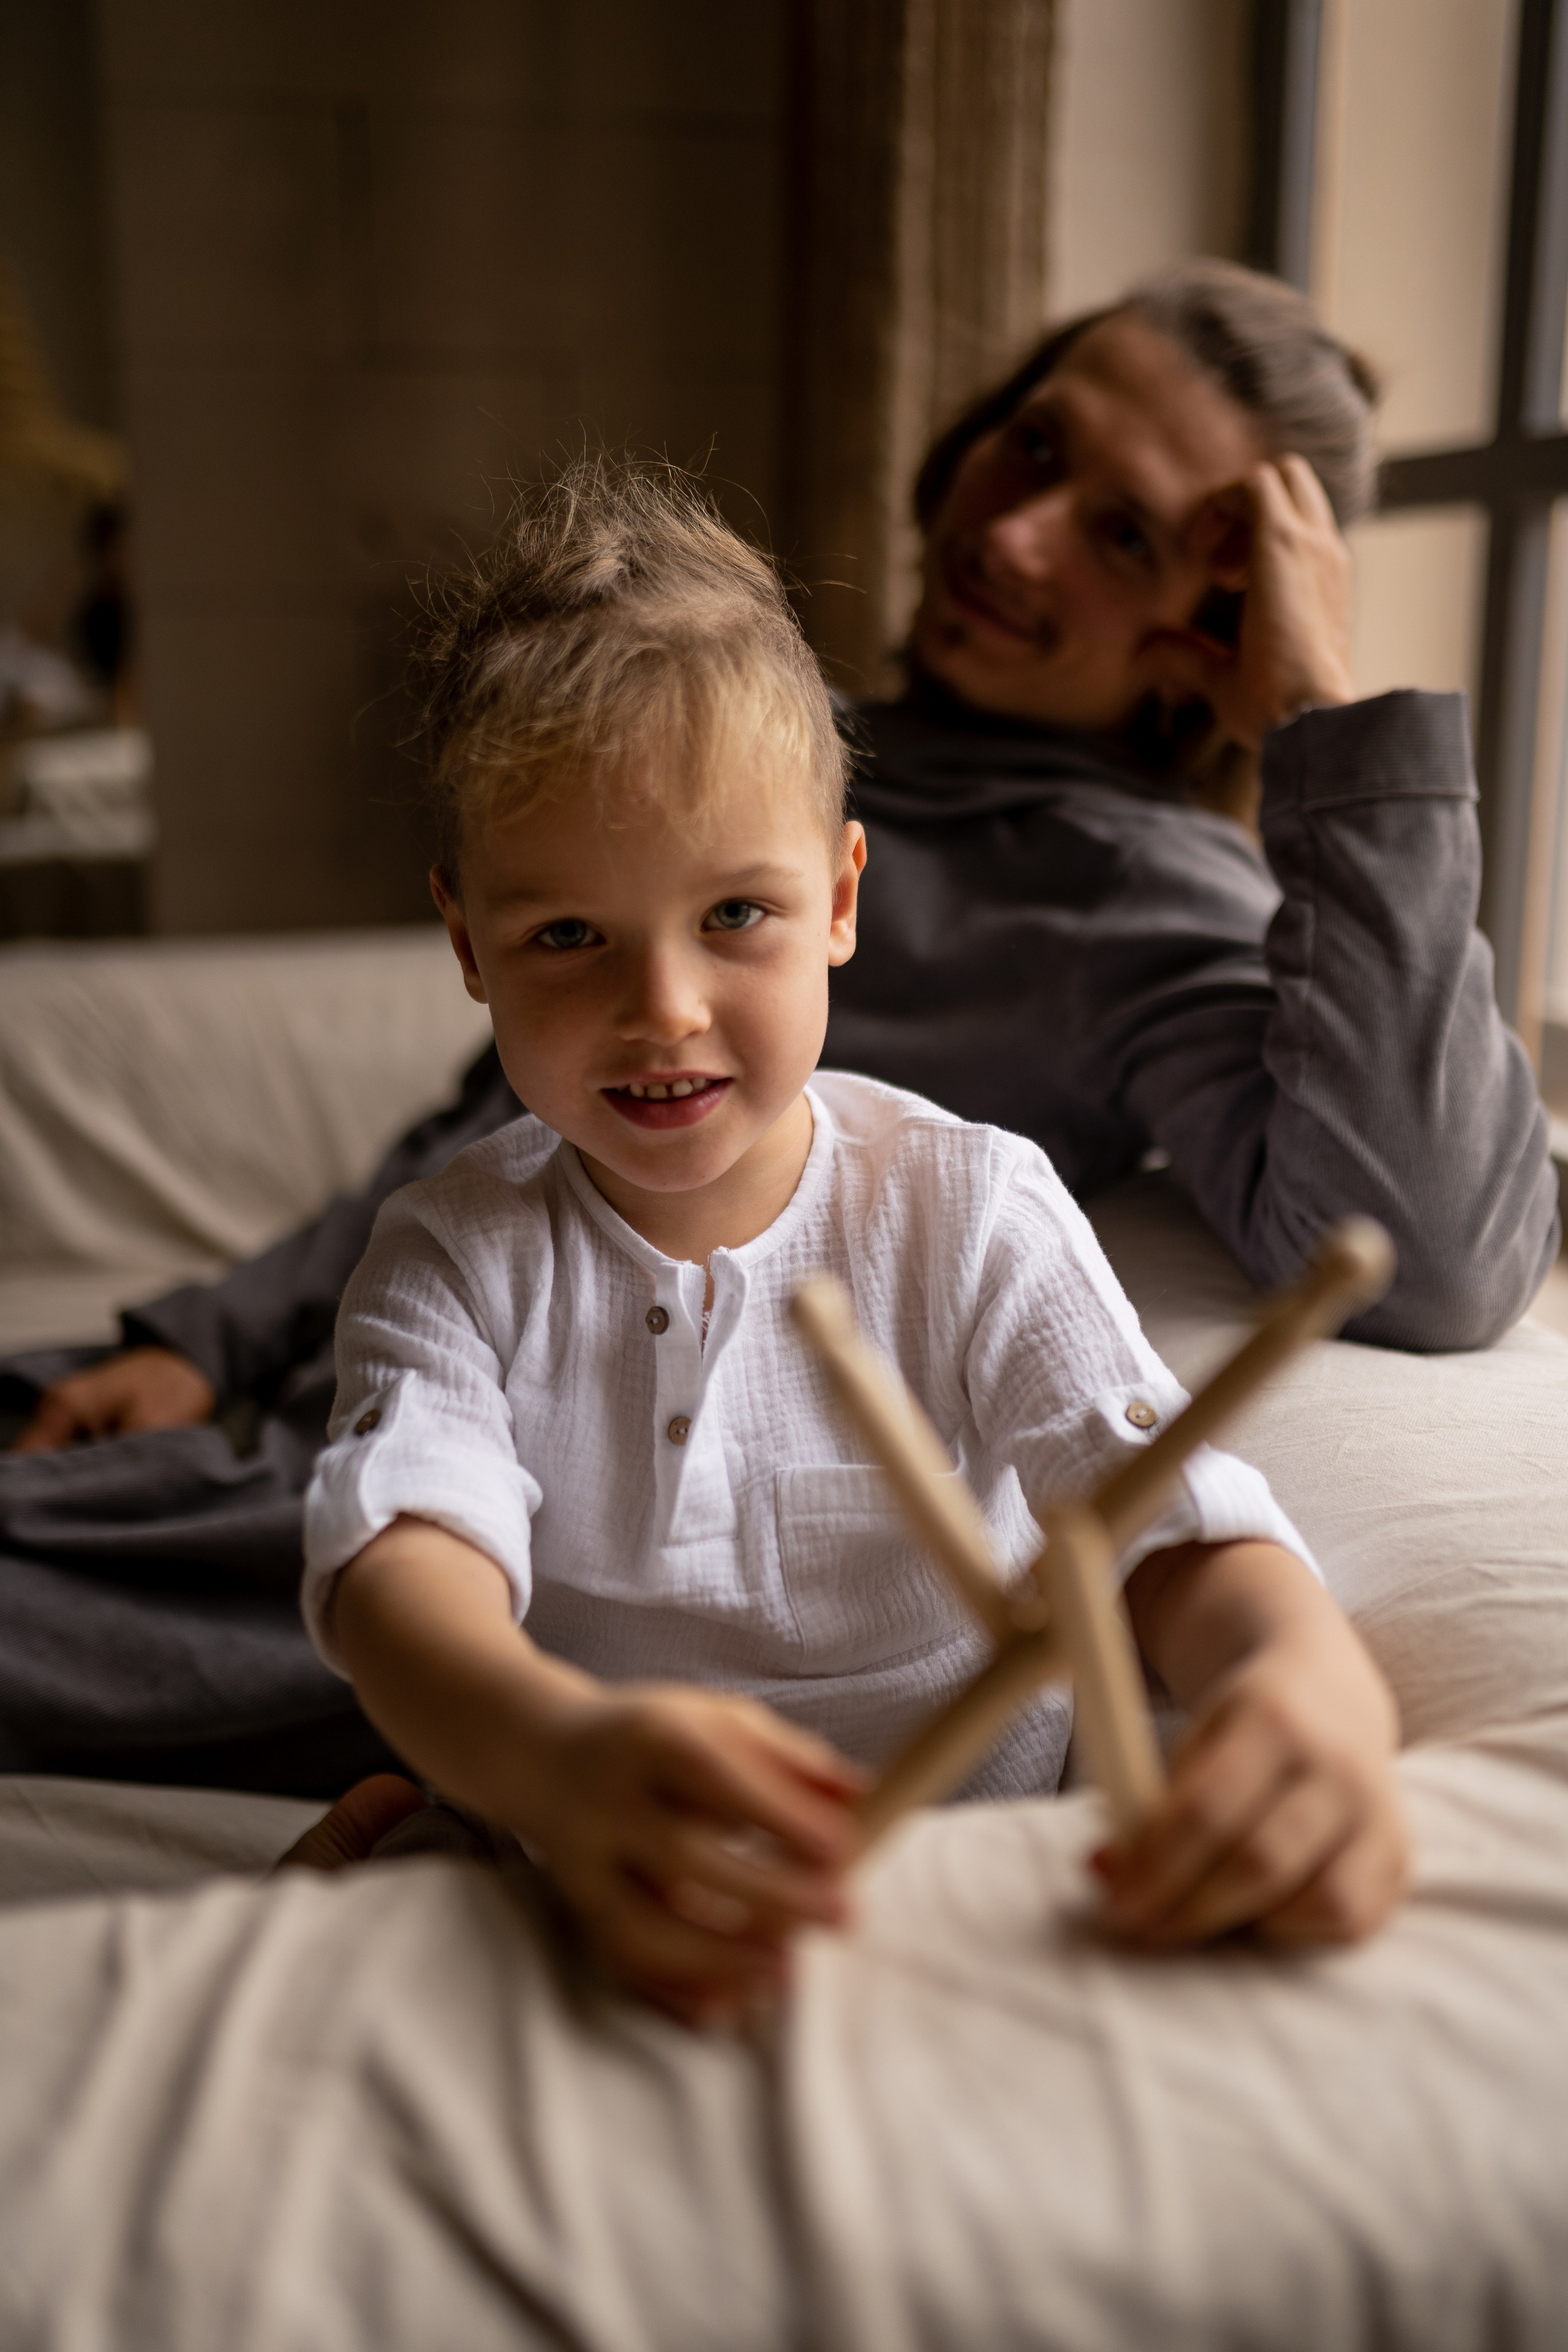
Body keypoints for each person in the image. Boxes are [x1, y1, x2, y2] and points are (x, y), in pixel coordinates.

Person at [1, 259, 1553, 1797]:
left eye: (1123, 535)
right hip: (390, 1393)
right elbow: (478, 1146)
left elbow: (1424, 1249)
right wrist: (215, 1333)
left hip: (535, 1526)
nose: (1011, 539)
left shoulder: (1127, 900)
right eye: (1034, 447)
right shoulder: (738, 746)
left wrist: (1316, 722)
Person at [293, 458, 1405, 2019]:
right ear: (469, 947)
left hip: (986, 1897)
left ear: (837, 899)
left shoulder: (970, 1207)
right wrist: (545, 1754)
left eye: (733, 916)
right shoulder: (452, 1254)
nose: (662, 1006)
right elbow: (402, 1570)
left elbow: (1160, 1514)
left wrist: (1301, 1686)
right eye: (567, 937)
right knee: (341, 1957)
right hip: (609, 1861)